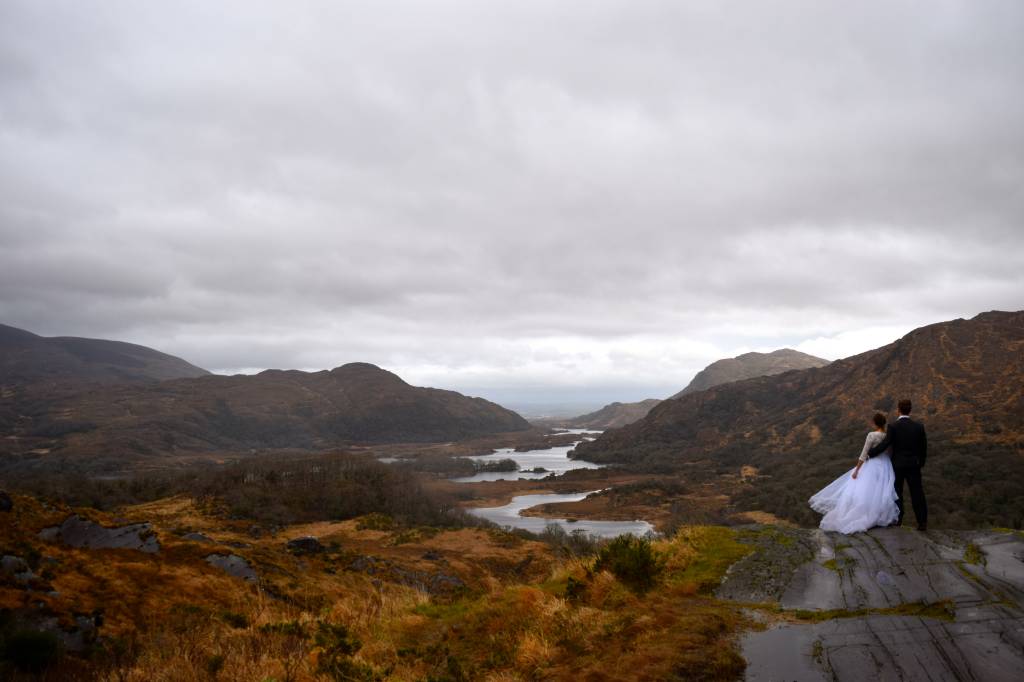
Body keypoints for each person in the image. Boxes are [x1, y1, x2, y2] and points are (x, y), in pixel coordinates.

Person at [808, 412, 900, 534]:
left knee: (865, 491)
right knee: (880, 492)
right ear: (884, 423)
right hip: (886, 466)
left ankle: (864, 515)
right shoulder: (888, 437)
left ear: (874, 423)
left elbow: (864, 454)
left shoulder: (872, 435)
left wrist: (857, 469)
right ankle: (878, 516)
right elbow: (890, 453)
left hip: (872, 464)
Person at [866, 398, 928, 531]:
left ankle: (898, 520)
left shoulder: (893, 426)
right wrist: (920, 463)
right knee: (917, 493)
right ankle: (922, 522)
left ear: (898, 410)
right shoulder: (919, 427)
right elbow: (923, 448)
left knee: (897, 493)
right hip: (913, 465)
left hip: (898, 464)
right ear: (910, 410)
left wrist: (871, 453)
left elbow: (885, 444)